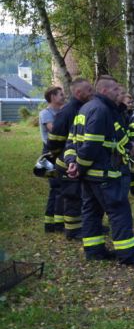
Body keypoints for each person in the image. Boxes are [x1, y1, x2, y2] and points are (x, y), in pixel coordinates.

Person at [65, 77, 134, 266]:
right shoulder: (101, 110)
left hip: (90, 176)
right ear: (104, 91)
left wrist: (72, 161)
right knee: (119, 212)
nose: (118, 91)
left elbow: (72, 139)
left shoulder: (86, 108)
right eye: (115, 89)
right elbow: (91, 145)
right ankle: (128, 255)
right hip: (104, 174)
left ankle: (95, 250)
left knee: (92, 212)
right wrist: (78, 165)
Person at [46, 78, 94, 240]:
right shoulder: (68, 111)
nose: (92, 92)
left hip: (79, 161)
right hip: (67, 162)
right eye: (88, 90)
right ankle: (73, 231)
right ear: (78, 93)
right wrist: (65, 157)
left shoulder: (85, 108)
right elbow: (54, 140)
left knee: (82, 196)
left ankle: (85, 225)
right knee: (72, 196)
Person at [39, 86, 65, 232]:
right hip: (50, 154)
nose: (63, 97)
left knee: (61, 188)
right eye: (61, 95)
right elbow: (54, 130)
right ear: (53, 97)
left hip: (60, 153)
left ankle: (57, 222)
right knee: (56, 187)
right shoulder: (46, 113)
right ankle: (51, 224)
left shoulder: (61, 112)